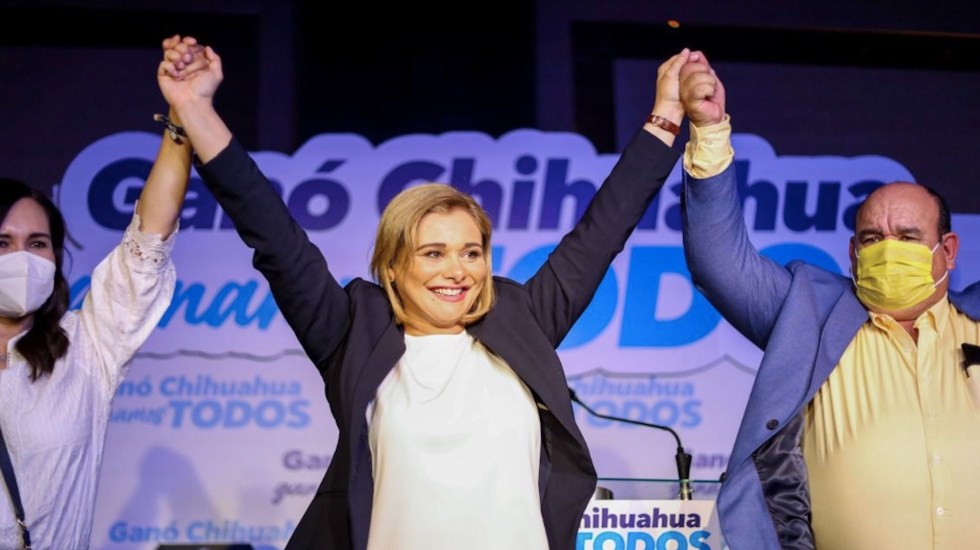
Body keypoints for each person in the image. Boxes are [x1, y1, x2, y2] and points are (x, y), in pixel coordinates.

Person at [159, 35, 697, 549]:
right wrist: (195, 110)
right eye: (433, 253)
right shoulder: (352, 329)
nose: (457, 271)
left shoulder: (523, 318)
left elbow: (602, 231)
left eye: (471, 252)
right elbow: (272, 234)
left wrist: (666, 112)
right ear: (393, 267)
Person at [678, 54, 980, 549]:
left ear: (947, 251)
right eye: (872, 238)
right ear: (853, 253)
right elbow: (718, 263)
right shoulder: (810, 315)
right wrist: (709, 134)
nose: (888, 249)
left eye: (907, 237)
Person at [0, 35, 193, 550]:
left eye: (37, 243)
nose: (21, 258)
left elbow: (149, 238)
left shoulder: (86, 347)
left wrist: (182, 118)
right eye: (2, 243)